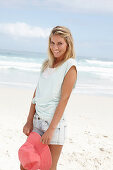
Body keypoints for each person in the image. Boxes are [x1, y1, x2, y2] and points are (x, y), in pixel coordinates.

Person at [20, 26, 77, 170]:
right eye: (52, 43)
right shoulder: (47, 64)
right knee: (26, 164)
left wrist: (51, 130)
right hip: (37, 122)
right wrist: (29, 120)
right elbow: (36, 93)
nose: (55, 47)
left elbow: (64, 100)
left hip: (54, 126)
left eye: (59, 43)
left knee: (49, 168)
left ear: (68, 44)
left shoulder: (70, 66)